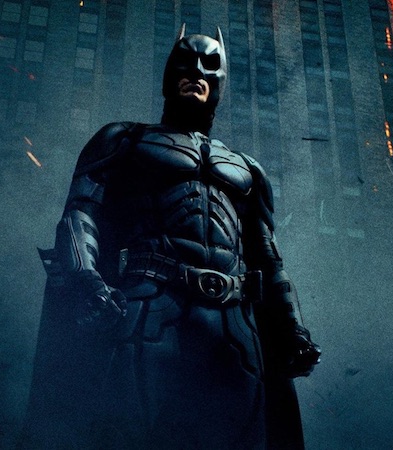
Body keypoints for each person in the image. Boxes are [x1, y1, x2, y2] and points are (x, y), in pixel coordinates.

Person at [23, 26, 320, 450]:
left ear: (220, 81)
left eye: (209, 64)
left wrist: (291, 328)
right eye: (185, 61)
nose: (196, 71)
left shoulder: (248, 170)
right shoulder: (125, 140)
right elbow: (81, 214)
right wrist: (86, 280)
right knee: (128, 434)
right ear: (168, 75)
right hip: (151, 303)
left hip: (234, 323)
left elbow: (267, 257)